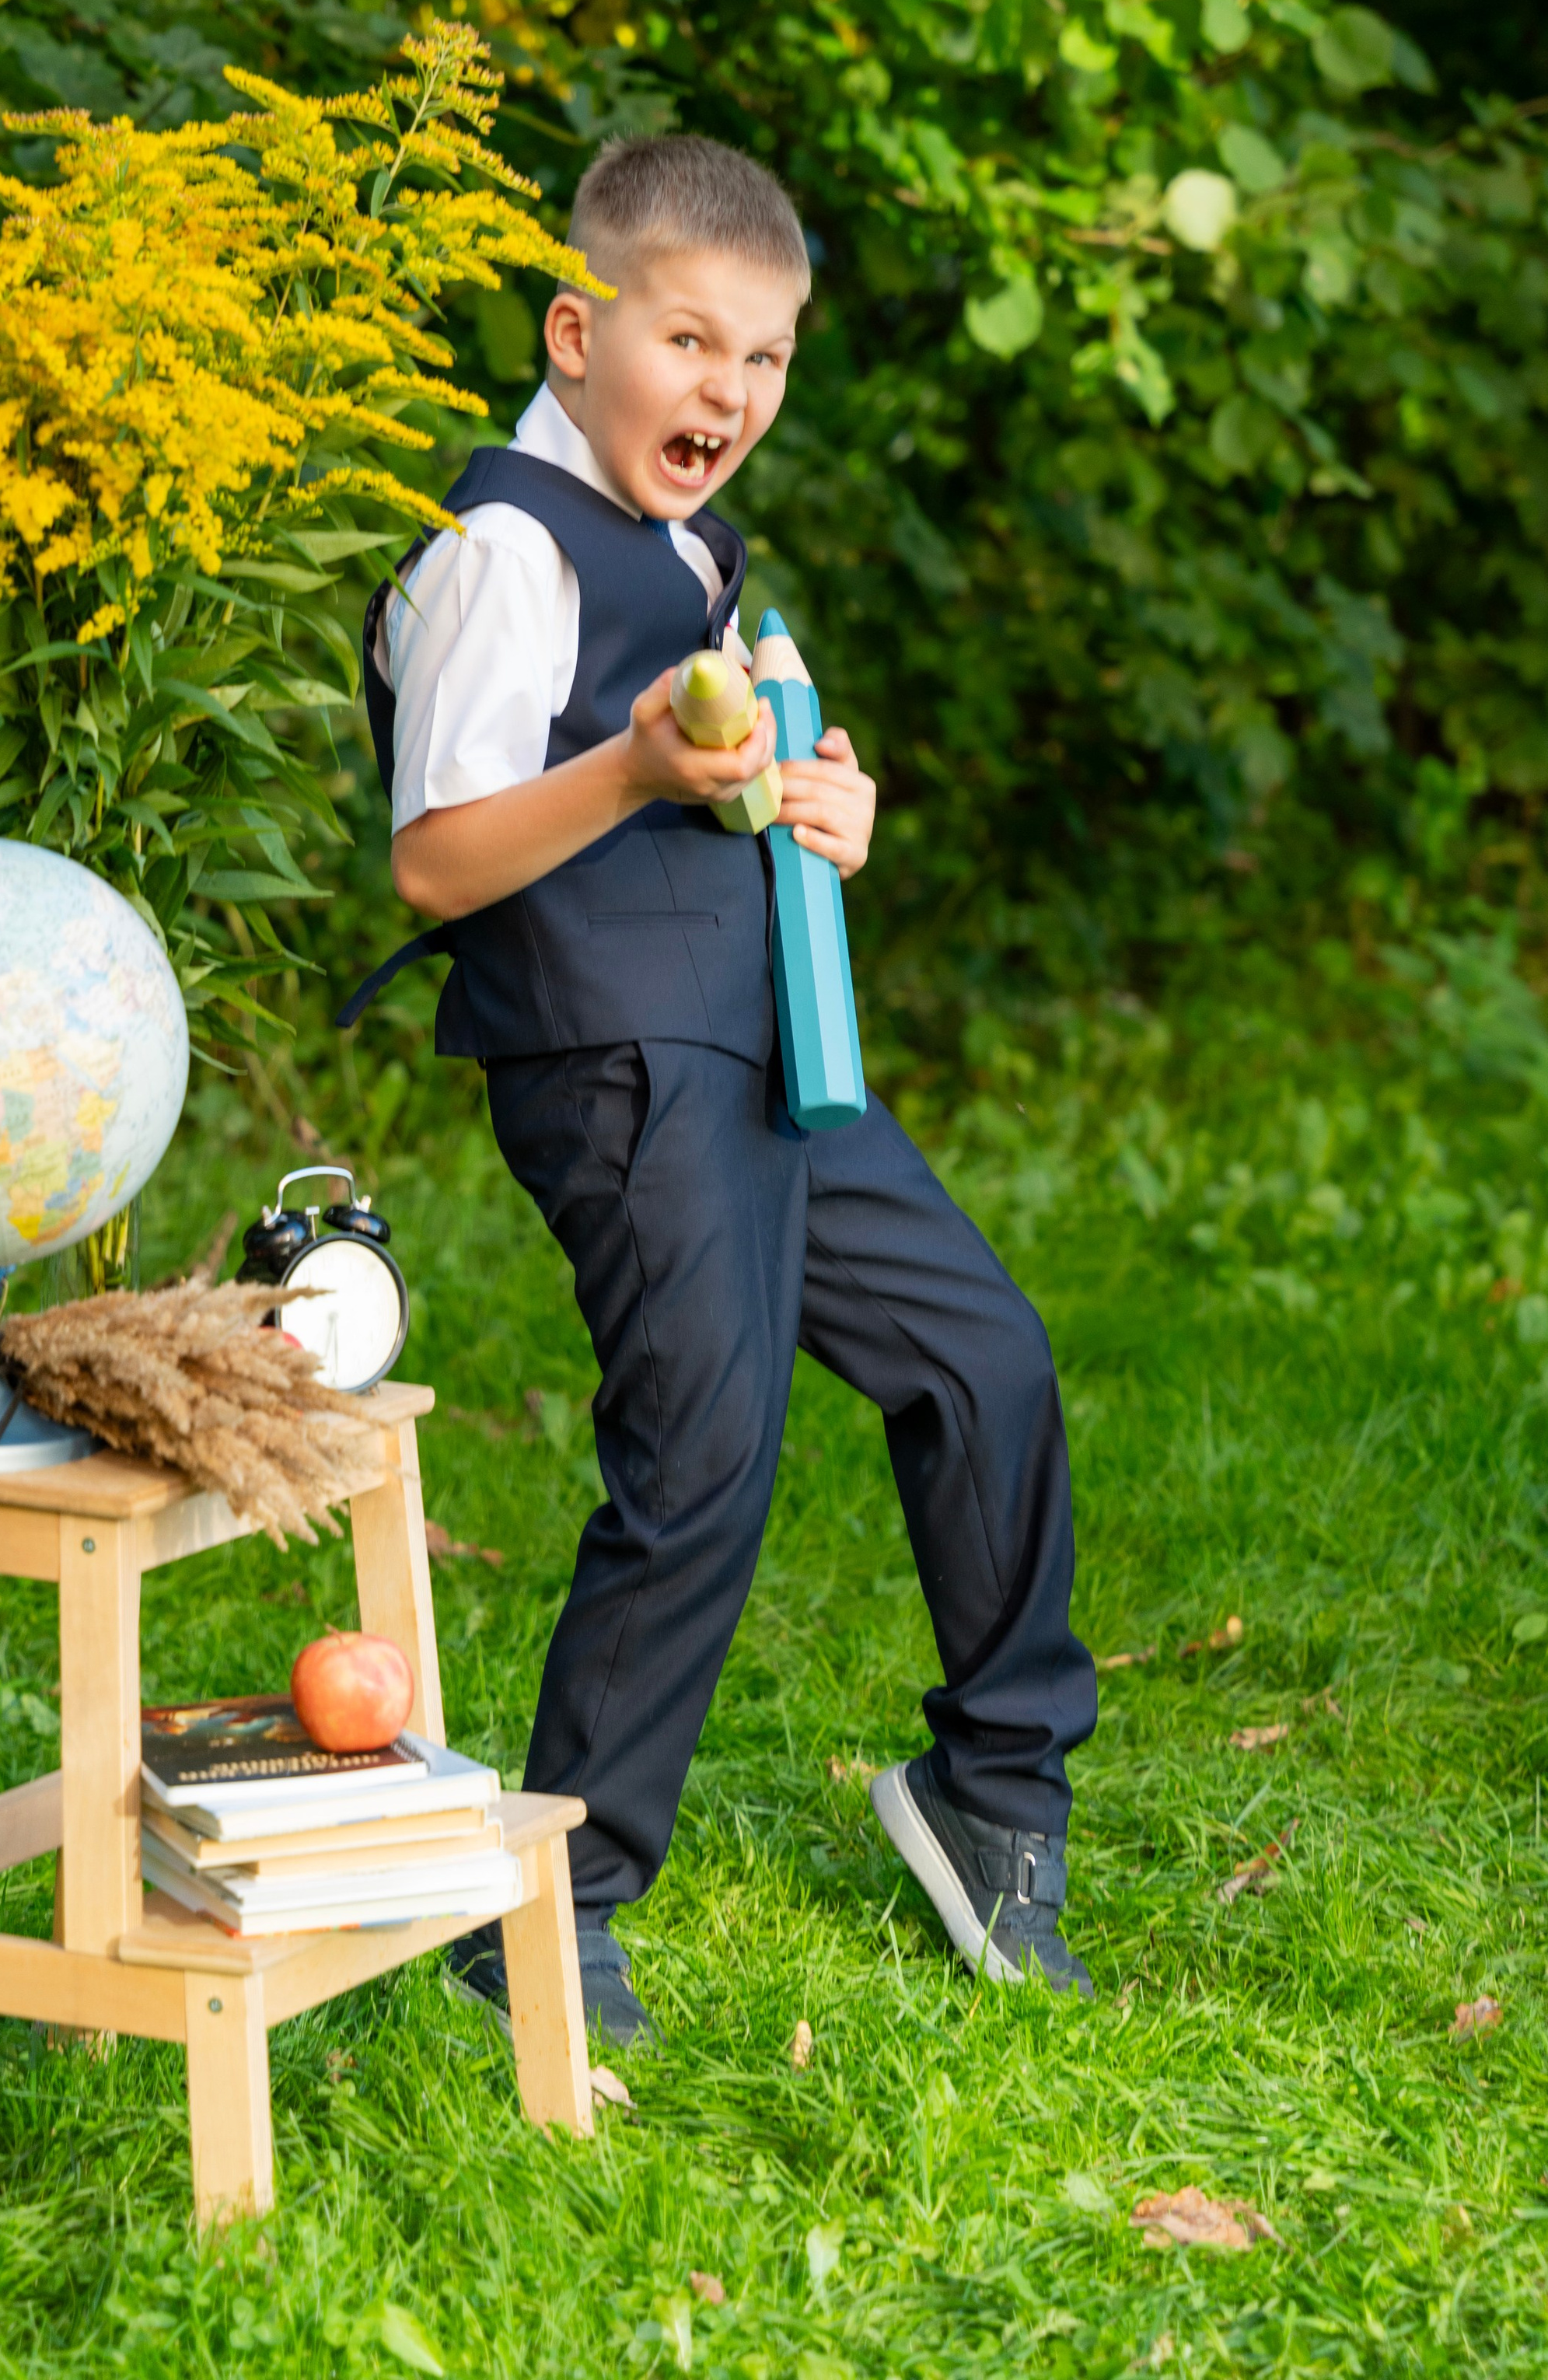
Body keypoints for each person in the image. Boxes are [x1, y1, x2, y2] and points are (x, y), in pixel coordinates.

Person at [349, 133, 1097, 2043]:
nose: (730, 396)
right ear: (577, 330)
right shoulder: (501, 544)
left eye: (763, 360)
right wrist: (626, 770)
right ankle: (548, 1905)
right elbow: (435, 857)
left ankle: (993, 1791)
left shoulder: (687, 554)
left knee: (983, 1362)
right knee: (700, 1454)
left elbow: (720, 786)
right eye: (692, 345)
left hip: (769, 1041)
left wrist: (810, 805)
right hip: (612, 1059)